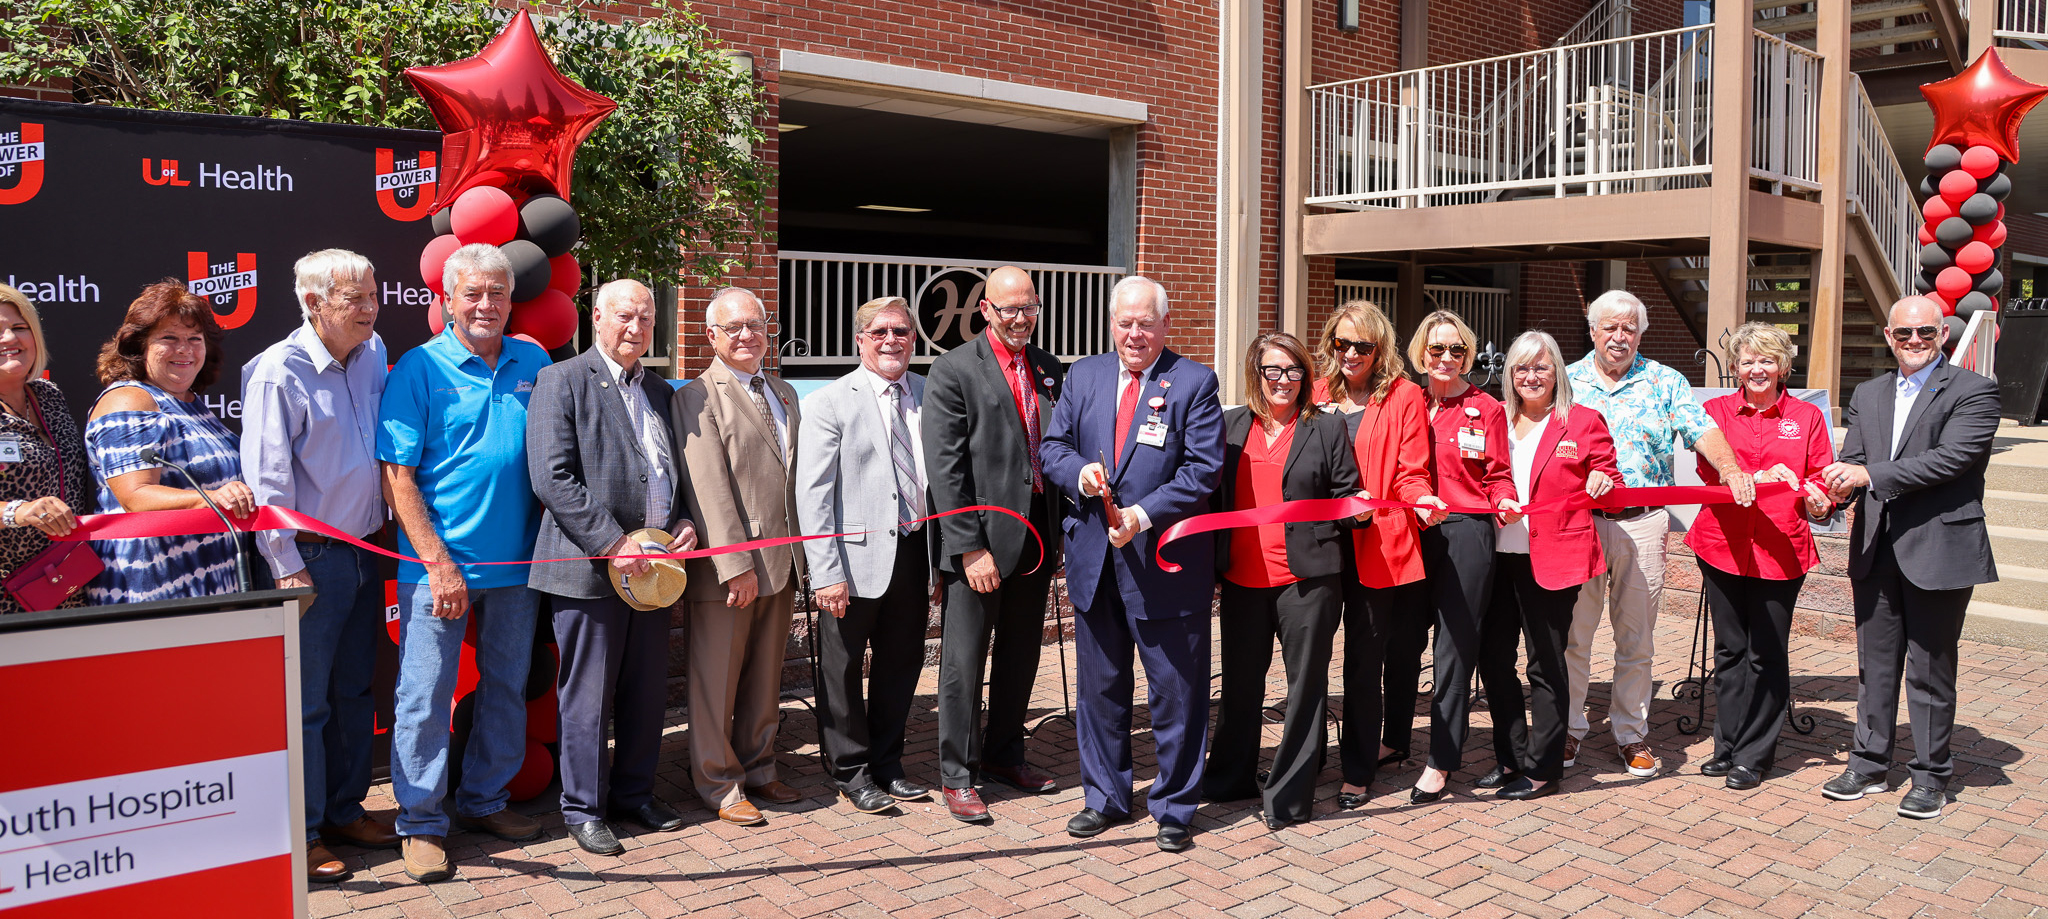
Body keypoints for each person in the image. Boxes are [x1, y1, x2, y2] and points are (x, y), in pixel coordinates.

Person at [378, 243, 549, 883]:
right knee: (425, 695)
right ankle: (420, 824)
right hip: (437, 568)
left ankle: (484, 801)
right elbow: (397, 476)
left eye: (497, 294)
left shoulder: (533, 358)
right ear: (447, 300)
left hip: (519, 567)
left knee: (506, 686)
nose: (486, 305)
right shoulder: (418, 368)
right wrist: (438, 562)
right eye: (472, 293)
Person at [1041, 275, 1224, 852]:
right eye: (1125, 322)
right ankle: (1105, 798)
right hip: (1095, 561)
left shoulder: (1194, 381)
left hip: (1162, 564)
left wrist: (1142, 515)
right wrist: (1079, 474)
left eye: (1146, 322)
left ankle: (1174, 806)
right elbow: (1053, 447)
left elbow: (1202, 470)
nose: (1135, 333)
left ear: (1165, 325)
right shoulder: (1084, 375)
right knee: (1101, 692)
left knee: (1175, 693)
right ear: (1111, 323)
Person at [527, 279, 698, 856]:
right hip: (590, 570)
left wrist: (683, 522)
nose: (636, 328)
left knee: (646, 691)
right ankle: (583, 808)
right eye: (625, 316)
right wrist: (612, 541)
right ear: (595, 317)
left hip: (655, 566)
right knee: (589, 696)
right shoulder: (562, 380)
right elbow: (553, 477)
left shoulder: (659, 388)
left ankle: (635, 794)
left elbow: (672, 470)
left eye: (646, 319)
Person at [240, 250, 395, 881]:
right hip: (309, 562)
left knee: (354, 693)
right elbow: (266, 481)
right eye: (353, 298)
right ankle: (301, 835)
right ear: (313, 304)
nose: (369, 308)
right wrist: (285, 566)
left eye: (372, 294)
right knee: (305, 706)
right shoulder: (280, 371)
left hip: (363, 552)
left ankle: (343, 809)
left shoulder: (375, 350)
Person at [1819, 295, 1999, 820]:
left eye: (1926, 333)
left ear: (1943, 334)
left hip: (1940, 547)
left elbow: (1952, 459)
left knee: (1929, 667)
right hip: (1876, 547)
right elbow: (1854, 461)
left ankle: (1930, 776)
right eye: (1904, 334)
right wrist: (1830, 492)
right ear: (1887, 336)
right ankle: (1870, 763)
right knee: (1874, 665)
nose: (1915, 342)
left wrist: (1868, 477)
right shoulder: (1870, 393)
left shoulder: (1974, 391)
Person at [1564, 290, 1753, 778]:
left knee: (1637, 639)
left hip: (1645, 524)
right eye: (1610, 327)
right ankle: (1567, 728)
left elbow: (1701, 430)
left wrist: (1730, 468)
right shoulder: (1567, 381)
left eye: (1629, 327)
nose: (1619, 336)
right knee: (1573, 636)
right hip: (1579, 526)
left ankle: (1631, 734)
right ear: (1592, 331)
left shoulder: (1665, 381)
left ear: (1641, 333)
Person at [921, 266, 1065, 822]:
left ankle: (1007, 755)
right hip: (979, 544)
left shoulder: (1050, 368)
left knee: (1021, 655)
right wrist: (967, 547)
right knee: (962, 661)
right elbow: (946, 468)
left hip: (1036, 539)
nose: (1021, 319)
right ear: (985, 311)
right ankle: (958, 774)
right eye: (1009, 309)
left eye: (1029, 308)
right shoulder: (953, 369)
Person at [1204, 332, 1360, 829]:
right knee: (1241, 685)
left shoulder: (1327, 428)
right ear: (1256, 374)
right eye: (1273, 370)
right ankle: (1229, 779)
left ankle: (1290, 795)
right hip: (1243, 579)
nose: (1284, 381)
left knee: (1304, 687)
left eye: (1294, 371)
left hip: (1307, 580)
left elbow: (1345, 490)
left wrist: (1359, 508)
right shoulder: (1230, 427)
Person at [795, 296, 938, 815]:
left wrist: (940, 563)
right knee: (843, 667)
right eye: (879, 332)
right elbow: (813, 494)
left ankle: (888, 763)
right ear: (860, 341)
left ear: (913, 339)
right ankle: (850, 770)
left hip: (915, 551)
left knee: (901, 663)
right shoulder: (831, 402)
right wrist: (825, 572)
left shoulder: (928, 394)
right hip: (851, 563)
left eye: (900, 331)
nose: (891, 341)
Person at [675, 287, 807, 827]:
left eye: (755, 324)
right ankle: (718, 782)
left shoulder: (784, 391)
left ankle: (759, 765)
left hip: (784, 558)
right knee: (716, 680)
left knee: (765, 676)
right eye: (732, 328)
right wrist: (735, 564)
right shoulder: (698, 396)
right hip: (734, 568)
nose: (746, 335)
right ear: (711, 336)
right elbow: (707, 485)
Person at [1686, 323, 1836, 792]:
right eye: (1747, 360)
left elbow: (1821, 482)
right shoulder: (1712, 413)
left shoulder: (1807, 418)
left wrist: (1820, 500)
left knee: (1766, 651)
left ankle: (1755, 755)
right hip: (1721, 544)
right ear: (1734, 368)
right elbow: (1710, 466)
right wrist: (1756, 471)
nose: (1757, 369)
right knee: (1730, 650)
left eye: (1767, 360)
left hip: (1781, 549)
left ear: (1784, 367)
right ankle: (1726, 744)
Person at [1483, 331, 1621, 802]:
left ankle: (1544, 768)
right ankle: (1510, 756)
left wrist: (1604, 479)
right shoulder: (1495, 419)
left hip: (1553, 561)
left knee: (1545, 664)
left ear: (1557, 371)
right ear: (1509, 374)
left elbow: (1612, 479)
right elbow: (1485, 476)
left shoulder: (1582, 421)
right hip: (1497, 557)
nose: (1531, 376)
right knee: (1495, 661)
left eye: (1541, 367)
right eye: (1521, 367)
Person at [1311, 301, 1437, 807]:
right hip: (1318, 545)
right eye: (1342, 343)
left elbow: (1410, 470)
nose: (1351, 354)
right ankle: (1308, 754)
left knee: (1364, 663)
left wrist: (1420, 496)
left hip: (1376, 545)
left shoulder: (1404, 396)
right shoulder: (1316, 392)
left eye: (1363, 345)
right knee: (1309, 658)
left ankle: (1359, 768)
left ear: (1380, 349)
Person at [1404, 310, 1518, 804]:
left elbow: (1497, 474)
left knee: (1453, 650)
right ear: (1421, 354)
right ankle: (1393, 741)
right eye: (1436, 350)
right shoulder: (1404, 400)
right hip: (1407, 529)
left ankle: (1441, 759)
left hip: (1465, 532)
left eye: (1457, 350)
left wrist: (1506, 499)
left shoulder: (1486, 407)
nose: (1446, 358)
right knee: (1403, 641)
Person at [85, 280, 254, 605]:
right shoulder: (130, 400)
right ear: (139, 346)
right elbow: (136, 495)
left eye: (195, 339)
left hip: (210, 584)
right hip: (150, 588)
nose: (185, 349)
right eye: (169, 338)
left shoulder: (189, 401)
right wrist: (211, 498)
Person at [0, 284, 88, 616]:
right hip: (8, 599)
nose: (10, 339)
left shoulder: (49, 395)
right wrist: (17, 511)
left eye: (19, 328)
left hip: (67, 584)